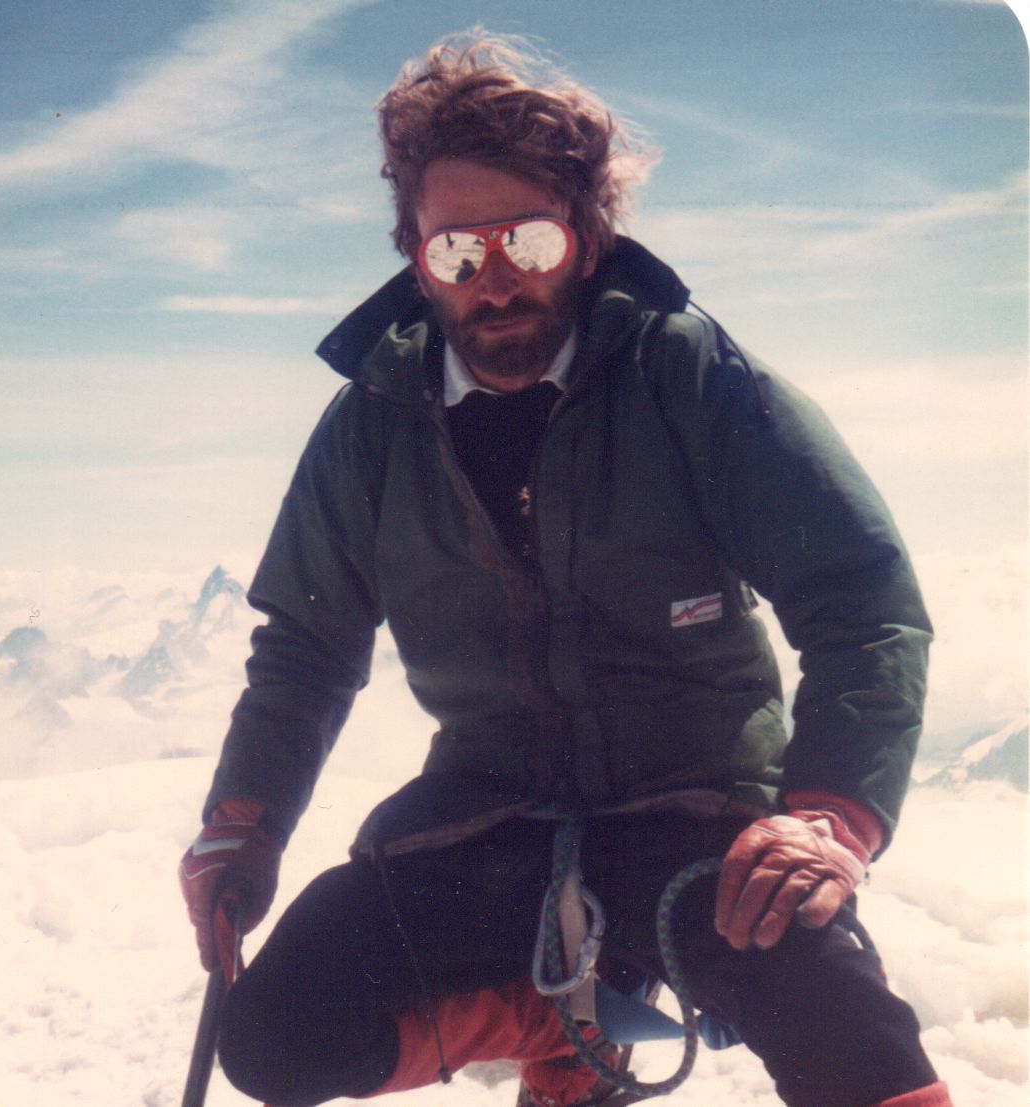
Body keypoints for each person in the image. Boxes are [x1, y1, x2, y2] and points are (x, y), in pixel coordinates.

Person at [179, 33, 953, 1107]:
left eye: (528, 240)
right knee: (276, 1038)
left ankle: (597, 1006)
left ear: (586, 242)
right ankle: (554, 1025)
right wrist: (243, 825)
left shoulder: (683, 371)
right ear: (413, 255)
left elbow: (861, 601)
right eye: (456, 251)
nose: (491, 280)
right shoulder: (374, 422)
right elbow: (306, 646)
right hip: (485, 817)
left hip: (695, 815)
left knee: (850, 1039)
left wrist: (822, 820)